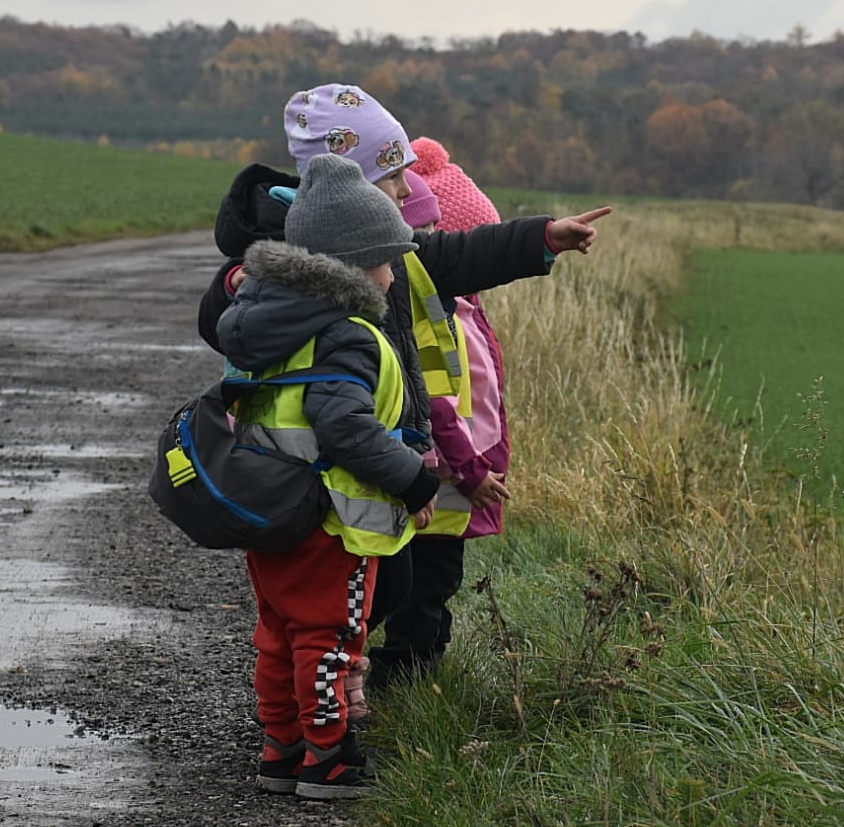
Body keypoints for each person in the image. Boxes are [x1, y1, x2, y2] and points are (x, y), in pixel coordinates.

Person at [197, 83, 610, 676]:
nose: (406, 190)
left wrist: (544, 237)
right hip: (309, 464)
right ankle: (319, 700)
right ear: (347, 180)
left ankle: (341, 678)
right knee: (338, 586)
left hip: (379, 451)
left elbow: (467, 254)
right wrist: (243, 289)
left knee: (386, 581)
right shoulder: (275, 257)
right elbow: (223, 323)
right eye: (390, 177)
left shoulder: (393, 248)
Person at [217, 155, 440, 800]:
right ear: (350, 265)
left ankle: (280, 747)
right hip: (331, 521)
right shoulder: (347, 334)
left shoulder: (274, 320)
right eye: (385, 260)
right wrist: (415, 483)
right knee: (331, 636)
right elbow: (343, 427)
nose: (393, 273)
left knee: (279, 633)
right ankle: (328, 757)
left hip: (272, 510)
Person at [369, 140, 514, 688]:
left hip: (449, 475)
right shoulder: (436, 317)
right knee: (422, 581)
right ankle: (403, 671)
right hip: (443, 474)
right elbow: (442, 400)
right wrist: (473, 470)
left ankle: (417, 668)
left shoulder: (463, 311)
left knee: (432, 581)